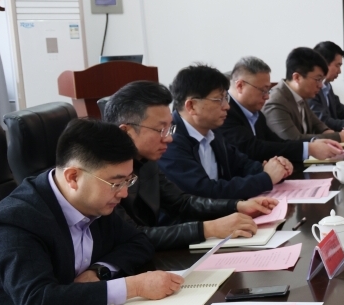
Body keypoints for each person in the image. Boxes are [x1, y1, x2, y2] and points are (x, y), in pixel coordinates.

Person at [0, 120, 181, 305]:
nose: (124, 193)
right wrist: (133, 287)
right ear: (73, 177)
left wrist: (99, 271)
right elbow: (38, 301)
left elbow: (138, 241)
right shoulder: (15, 221)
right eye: (116, 183)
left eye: (129, 180)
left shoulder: (95, 201)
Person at [104, 80, 279, 250]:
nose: (169, 138)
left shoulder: (146, 160)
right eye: (160, 130)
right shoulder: (102, 173)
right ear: (126, 131)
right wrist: (209, 229)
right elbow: (133, 235)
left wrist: (237, 205)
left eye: (169, 128)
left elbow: (182, 202)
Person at [160, 64, 291, 199]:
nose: (227, 106)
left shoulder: (212, 131)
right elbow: (205, 191)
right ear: (191, 106)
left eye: (226, 98)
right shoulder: (169, 141)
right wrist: (266, 178)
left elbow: (241, 165)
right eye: (219, 100)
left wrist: (275, 168)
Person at [219, 56, 343, 168]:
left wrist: (313, 143)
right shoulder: (225, 113)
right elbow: (253, 148)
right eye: (263, 90)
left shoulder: (257, 114)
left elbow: (277, 142)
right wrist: (308, 149)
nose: (267, 96)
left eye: (268, 90)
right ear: (240, 86)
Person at [263, 47, 344, 143]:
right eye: (318, 79)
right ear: (297, 77)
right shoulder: (275, 102)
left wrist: (337, 134)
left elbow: (319, 126)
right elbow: (293, 140)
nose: (321, 85)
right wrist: (340, 137)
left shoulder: (301, 96)